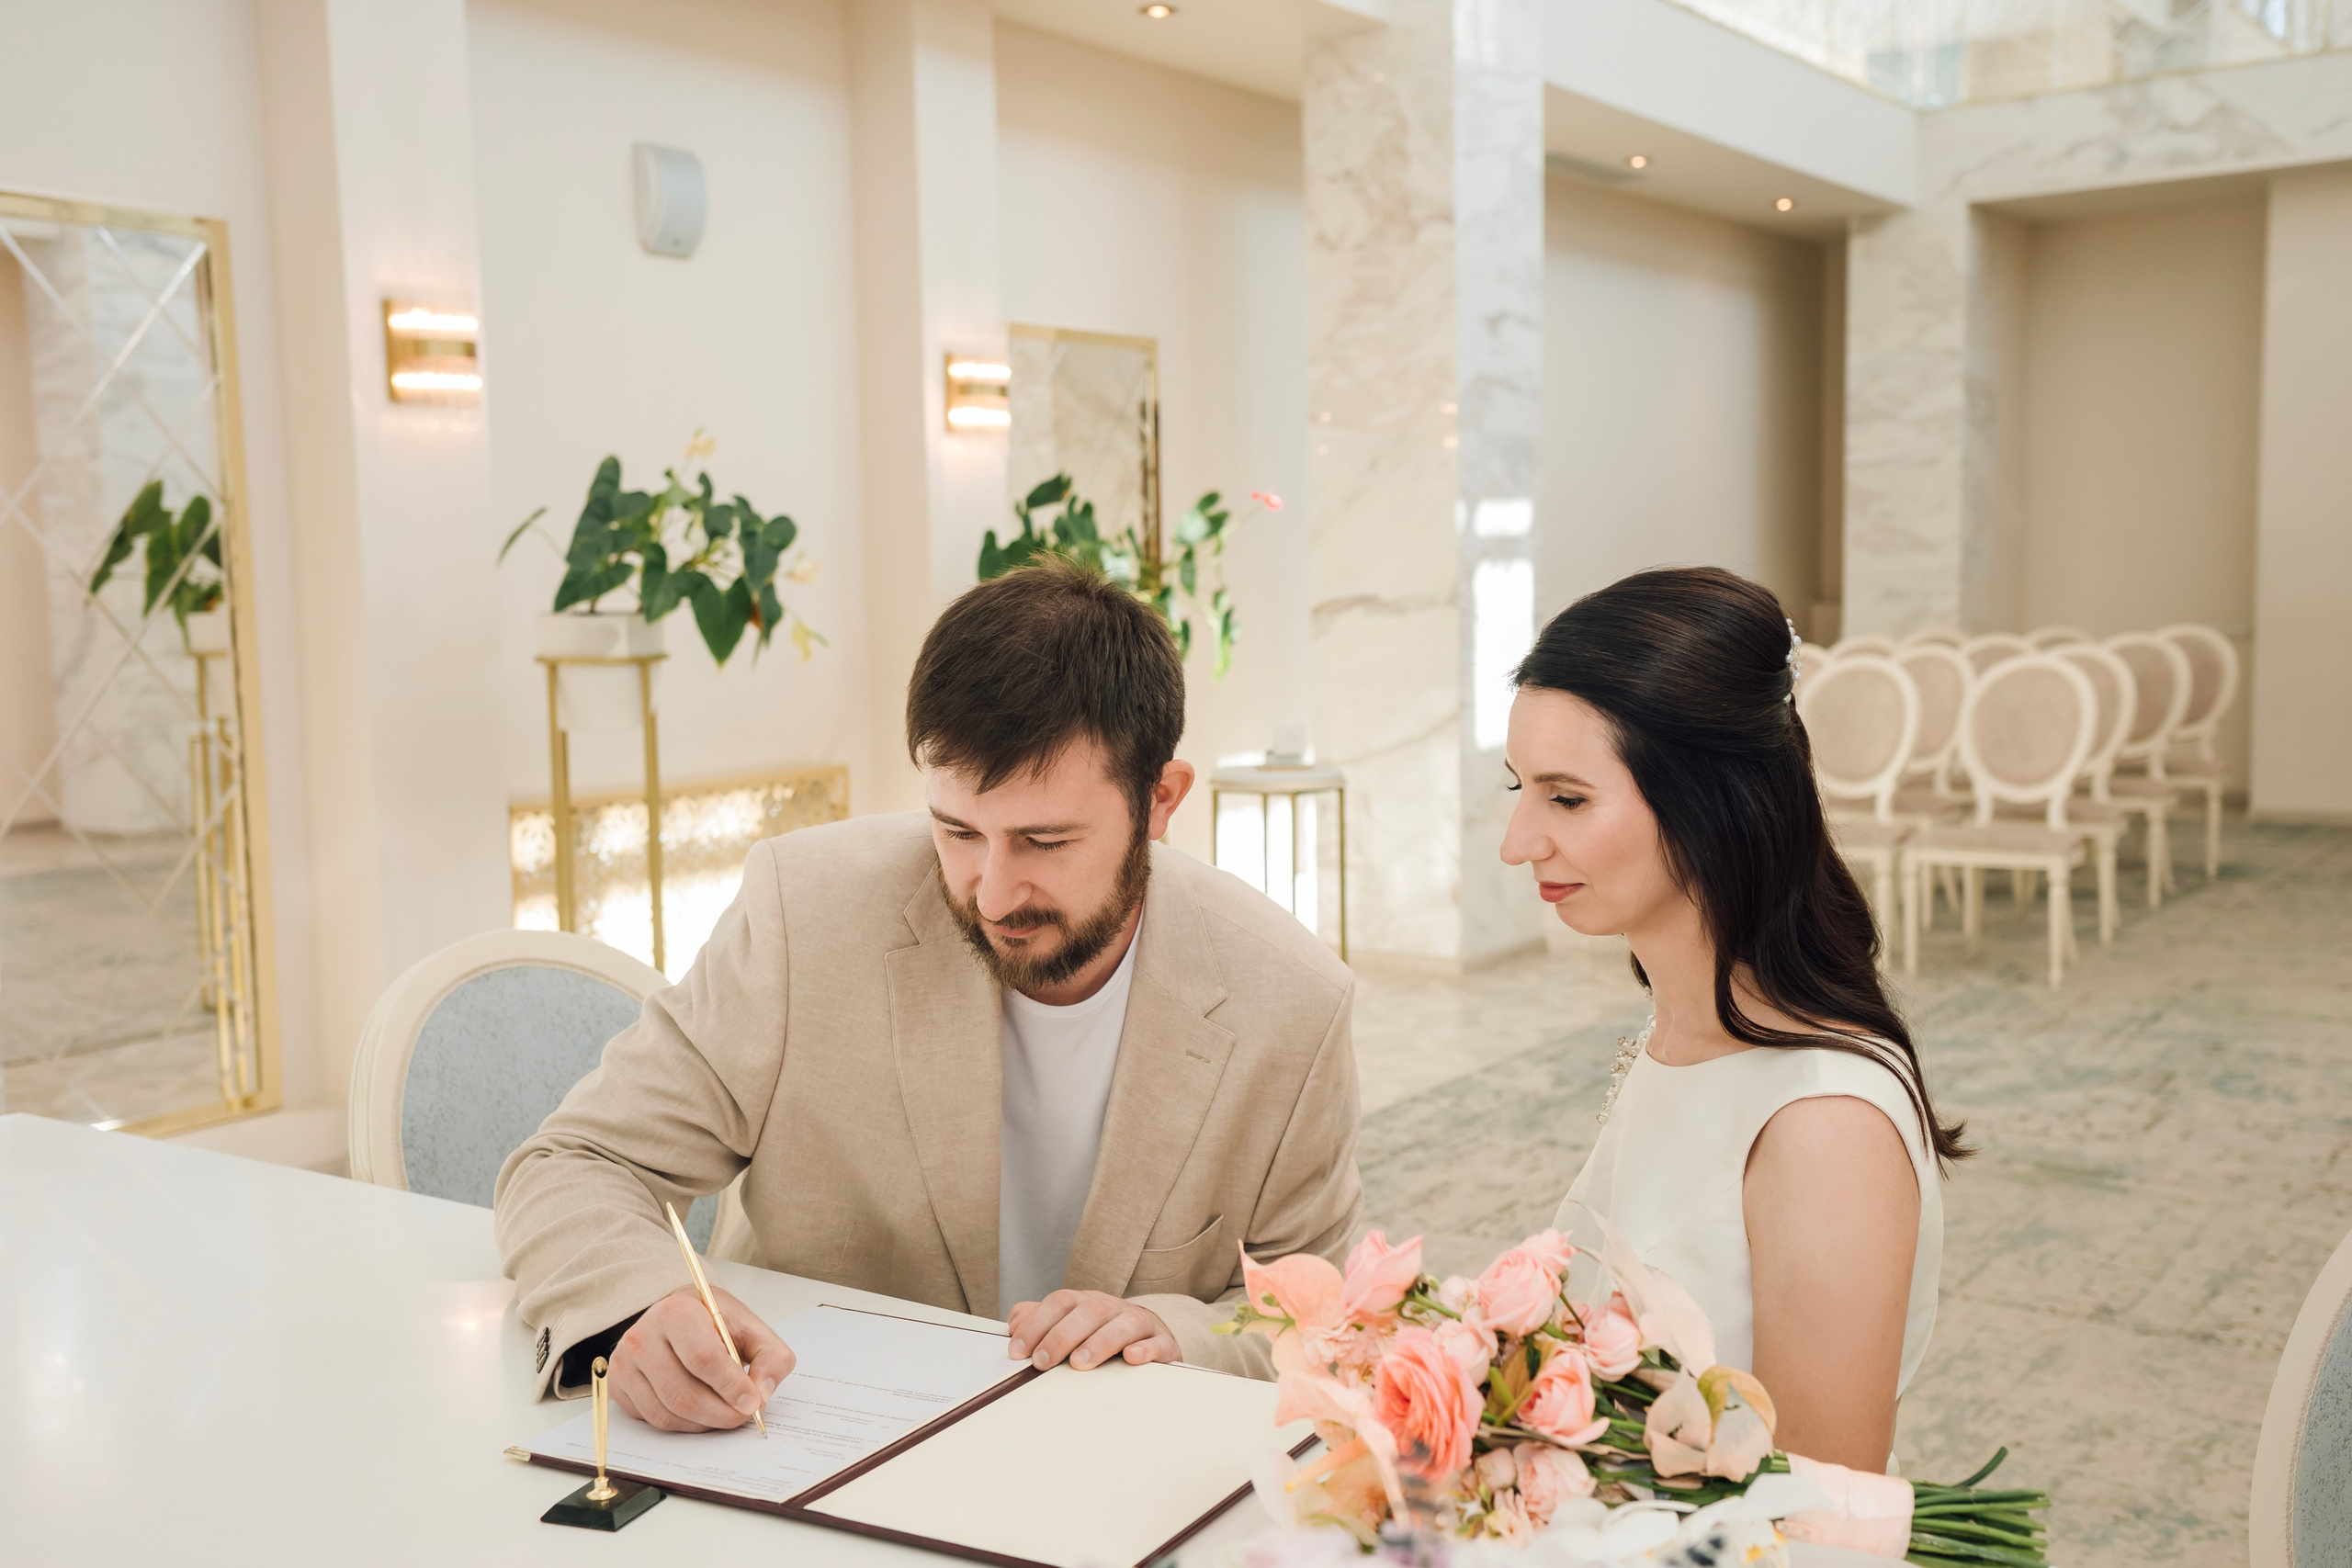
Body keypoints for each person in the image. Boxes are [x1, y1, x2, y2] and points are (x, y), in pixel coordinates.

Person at [496, 561, 1362, 1431]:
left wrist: (1178, 1329)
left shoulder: (1291, 1004)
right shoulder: (807, 912)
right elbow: (575, 1164)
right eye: (957, 832)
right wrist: (640, 1304)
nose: (991, 893)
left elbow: (1325, 1315)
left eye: (1045, 841)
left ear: (1160, 799)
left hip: (1112, 1473)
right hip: (807, 1447)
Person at [1498, 567, 1967, 1473]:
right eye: (1516, 787)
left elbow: (1814, 1520)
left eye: (1565, 798)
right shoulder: (1675, 1030)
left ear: (1708, 801)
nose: (1517, 841)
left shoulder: (1823, 1126)